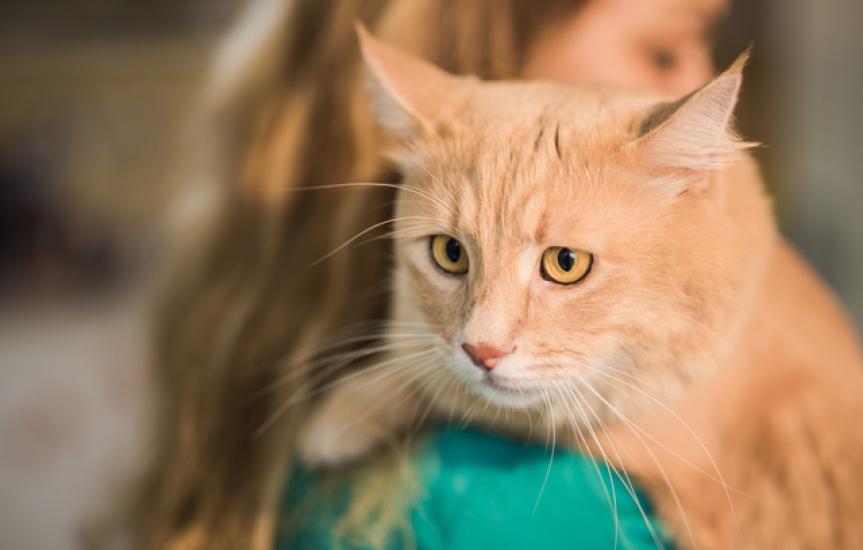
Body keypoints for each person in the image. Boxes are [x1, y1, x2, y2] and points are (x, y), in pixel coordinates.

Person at [120, 0, 728, 548]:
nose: (695, 80)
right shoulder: (525, 505)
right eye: (663, 51)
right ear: (492, 57)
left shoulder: (272, 396)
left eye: (563, 263)